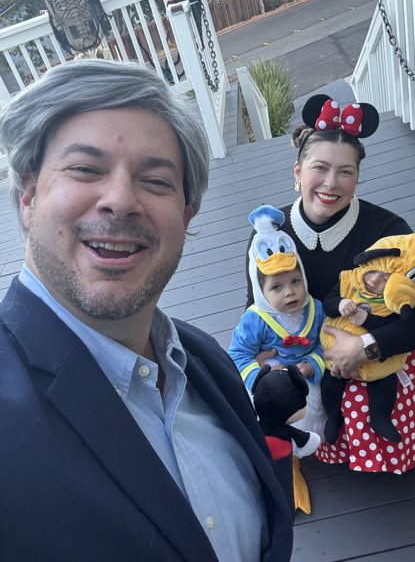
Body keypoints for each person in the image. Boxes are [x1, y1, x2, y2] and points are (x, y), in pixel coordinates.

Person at [0, 59, 293, 562]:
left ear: (185, 215)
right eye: (85, 169)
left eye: (156, 181)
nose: (120, 200)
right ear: (28, 195)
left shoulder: (203, 361)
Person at [246, 93, 415, 474]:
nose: (331, 184)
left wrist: (366, 347)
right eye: (320, 168)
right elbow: (255, 305)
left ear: (357, 178)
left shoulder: (389, 232)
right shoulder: (270, 236)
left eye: (345, 172)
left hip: (383, 338)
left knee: (374, 403)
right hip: (311, 348)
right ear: (297, 173)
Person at [320, 230, 415, 444]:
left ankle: (380, 417)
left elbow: (390, 327)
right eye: (374, 271)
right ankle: (333, 417)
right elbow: (328, 303)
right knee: (330, 383)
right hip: (335, 351)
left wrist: (366, 320)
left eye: (386, 278)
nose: (375, 280)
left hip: (375, 357)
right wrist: (340, 303)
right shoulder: (347, 280)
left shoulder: (392, 303)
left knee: (385, 383)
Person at [229, 204, 326, 441]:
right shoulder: (256, 320)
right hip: (270, 377)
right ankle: (282, 450)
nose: (290, 293)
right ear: (261, 292)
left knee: (315, 407)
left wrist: (311, 365)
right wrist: (262, 378)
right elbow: (238, 354)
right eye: (276, 287)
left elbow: (325, 344)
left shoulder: (315, 309)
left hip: (304, 374)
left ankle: (308, 442)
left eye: (295, 281)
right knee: (270, 413)